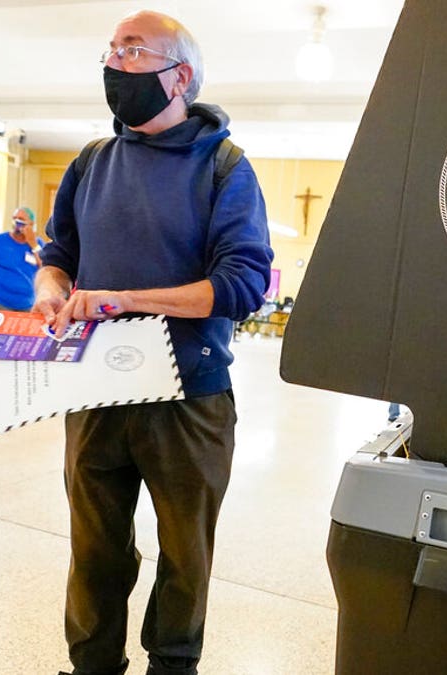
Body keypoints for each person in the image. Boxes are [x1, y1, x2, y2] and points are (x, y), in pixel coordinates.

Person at [34, 10, 273, 675]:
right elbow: (58, 252)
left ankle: (172, 664)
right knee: (94, 547)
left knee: (184, 551)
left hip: (188, 395)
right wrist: (50, 288)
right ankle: (92, 664)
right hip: (95, 387)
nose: (116, 64)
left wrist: (127, 300)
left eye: (134, 51)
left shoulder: (225, 167)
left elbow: (241, 286)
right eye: (111, 50)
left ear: (181, 77)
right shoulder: (90, 162)